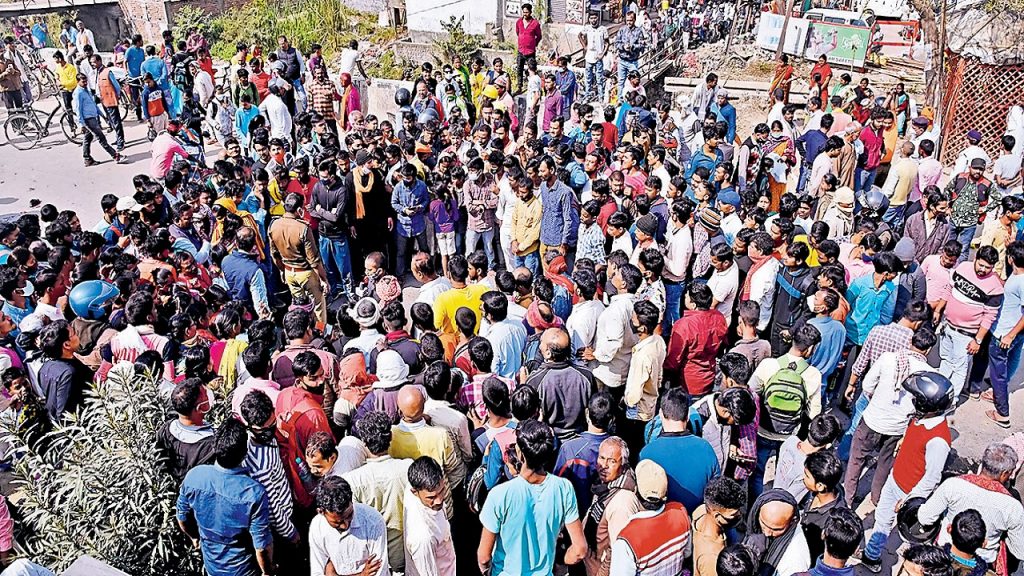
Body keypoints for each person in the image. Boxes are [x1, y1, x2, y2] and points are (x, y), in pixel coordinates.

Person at [861, 371, 954, 572]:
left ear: (927, 405)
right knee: (882, 519)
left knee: (910, 534)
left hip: (908, 492)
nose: (913, 401)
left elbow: (932, 477)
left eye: (917, 399)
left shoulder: (938, 440)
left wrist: (909, 500)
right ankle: (871, 556)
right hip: (895, 479)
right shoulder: (920, 418)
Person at [478, 419, 588, 576]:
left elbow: (484, 557)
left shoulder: (499, 494)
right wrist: (559, 561)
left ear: (520, 453)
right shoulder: (564, 488)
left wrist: (487, 571)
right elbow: (580, 550)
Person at [176, 419, 274, 576]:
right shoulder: (253, 493)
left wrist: (194, 537)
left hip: (212, 567)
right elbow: (262, 546)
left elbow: (182, 517)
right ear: (244, 452)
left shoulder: (194, 476)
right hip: (244, 569)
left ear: (215, 447)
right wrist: (267, 572)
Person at [917, 443, 1024, 568]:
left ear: (983, 464)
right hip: (982, 562)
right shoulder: (1012, 507)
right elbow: (1019, 551)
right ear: (1004, 473)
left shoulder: (952, 485)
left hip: (944, 554)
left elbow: (925, 518)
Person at [639, 388, 720, 512]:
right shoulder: (706, 448)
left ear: (660, 414)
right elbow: (716, 493)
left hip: (663, 519)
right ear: (687, 416)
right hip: (697, 518)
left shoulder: (646, 453)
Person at [609, 459, 692, 575]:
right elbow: (687, 552)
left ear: (636, 491)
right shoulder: (680, 512)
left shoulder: (626, 540)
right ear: (665, 493)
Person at [581, 436, 641, 576]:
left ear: (623, 465)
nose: (604, 465)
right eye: (601, 458)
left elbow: (618, 552)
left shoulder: (622, 502)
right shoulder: (605, 485)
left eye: (612, 461)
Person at [308, 475, 389, 576]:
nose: (345, 526)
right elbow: (317, 572)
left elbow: (379, 572)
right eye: (337, 522)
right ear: (321, 512)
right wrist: (362, 575)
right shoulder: (317, 528)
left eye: (350, 515)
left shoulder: (373, 520)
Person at [269, 193, 329, 327]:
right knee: (318, 305)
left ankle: (302, 330)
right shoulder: (303, 228)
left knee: (299, 307)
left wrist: (282, 271)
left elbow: (275, 254)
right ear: (299, 209)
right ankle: (320, 332)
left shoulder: (274, 225)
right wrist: (323, 279)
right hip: (306, 273)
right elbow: (313, 260)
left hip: (289, 272)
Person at [665, 283, 728, 397]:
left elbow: (673, 360)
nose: (684, 297)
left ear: (693, 305)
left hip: (688, 381)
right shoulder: (719, 317)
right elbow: (723, 343)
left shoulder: (684, 325)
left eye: (687, 296)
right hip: (709, 376)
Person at [403, 456, 456, 576]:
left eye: (441, 491)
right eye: (431, 497)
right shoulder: (423, 538)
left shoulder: (414, 486)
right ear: (415, 492)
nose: (439, 500)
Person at [156, 378, 216, 482]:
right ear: (199, 407)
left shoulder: (165, 430)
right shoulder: (209, 446)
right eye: (205, 395)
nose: (208, 396)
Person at [742, 489, 812, 576]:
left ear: (792, 521)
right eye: (763, 523)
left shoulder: (794, 563)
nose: (767, 533)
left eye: (776, 529)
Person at [691, 477, 746, 576]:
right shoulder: (712, 559)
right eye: (733, 515)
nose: (739, 515)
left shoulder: (701, 511)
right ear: (717, 516)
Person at [73, 73, 124, 166]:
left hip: (93, 117)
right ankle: (115, 155)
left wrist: (102, 115)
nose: (85, 83)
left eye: (86, 81)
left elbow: (93, 105)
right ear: (78, 82)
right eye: (83, 82)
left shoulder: (86, 90)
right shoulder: (78, 93)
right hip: (88, 119)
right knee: (101, 138)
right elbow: (78, 109)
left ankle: (87, 158)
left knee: (87, 138)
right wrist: (81, 124)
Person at [514, 3, 542, 94]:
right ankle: (519, 87)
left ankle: (533, 87)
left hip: (530, 51)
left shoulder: (535, 23)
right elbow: (518, 33)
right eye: (523, 12)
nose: (525, 14)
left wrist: (533, 44)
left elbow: (539, 36)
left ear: (530, 12)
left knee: (532, 68)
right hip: (521, 50)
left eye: (526, 12)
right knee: (519, 68)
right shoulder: (519, 22)